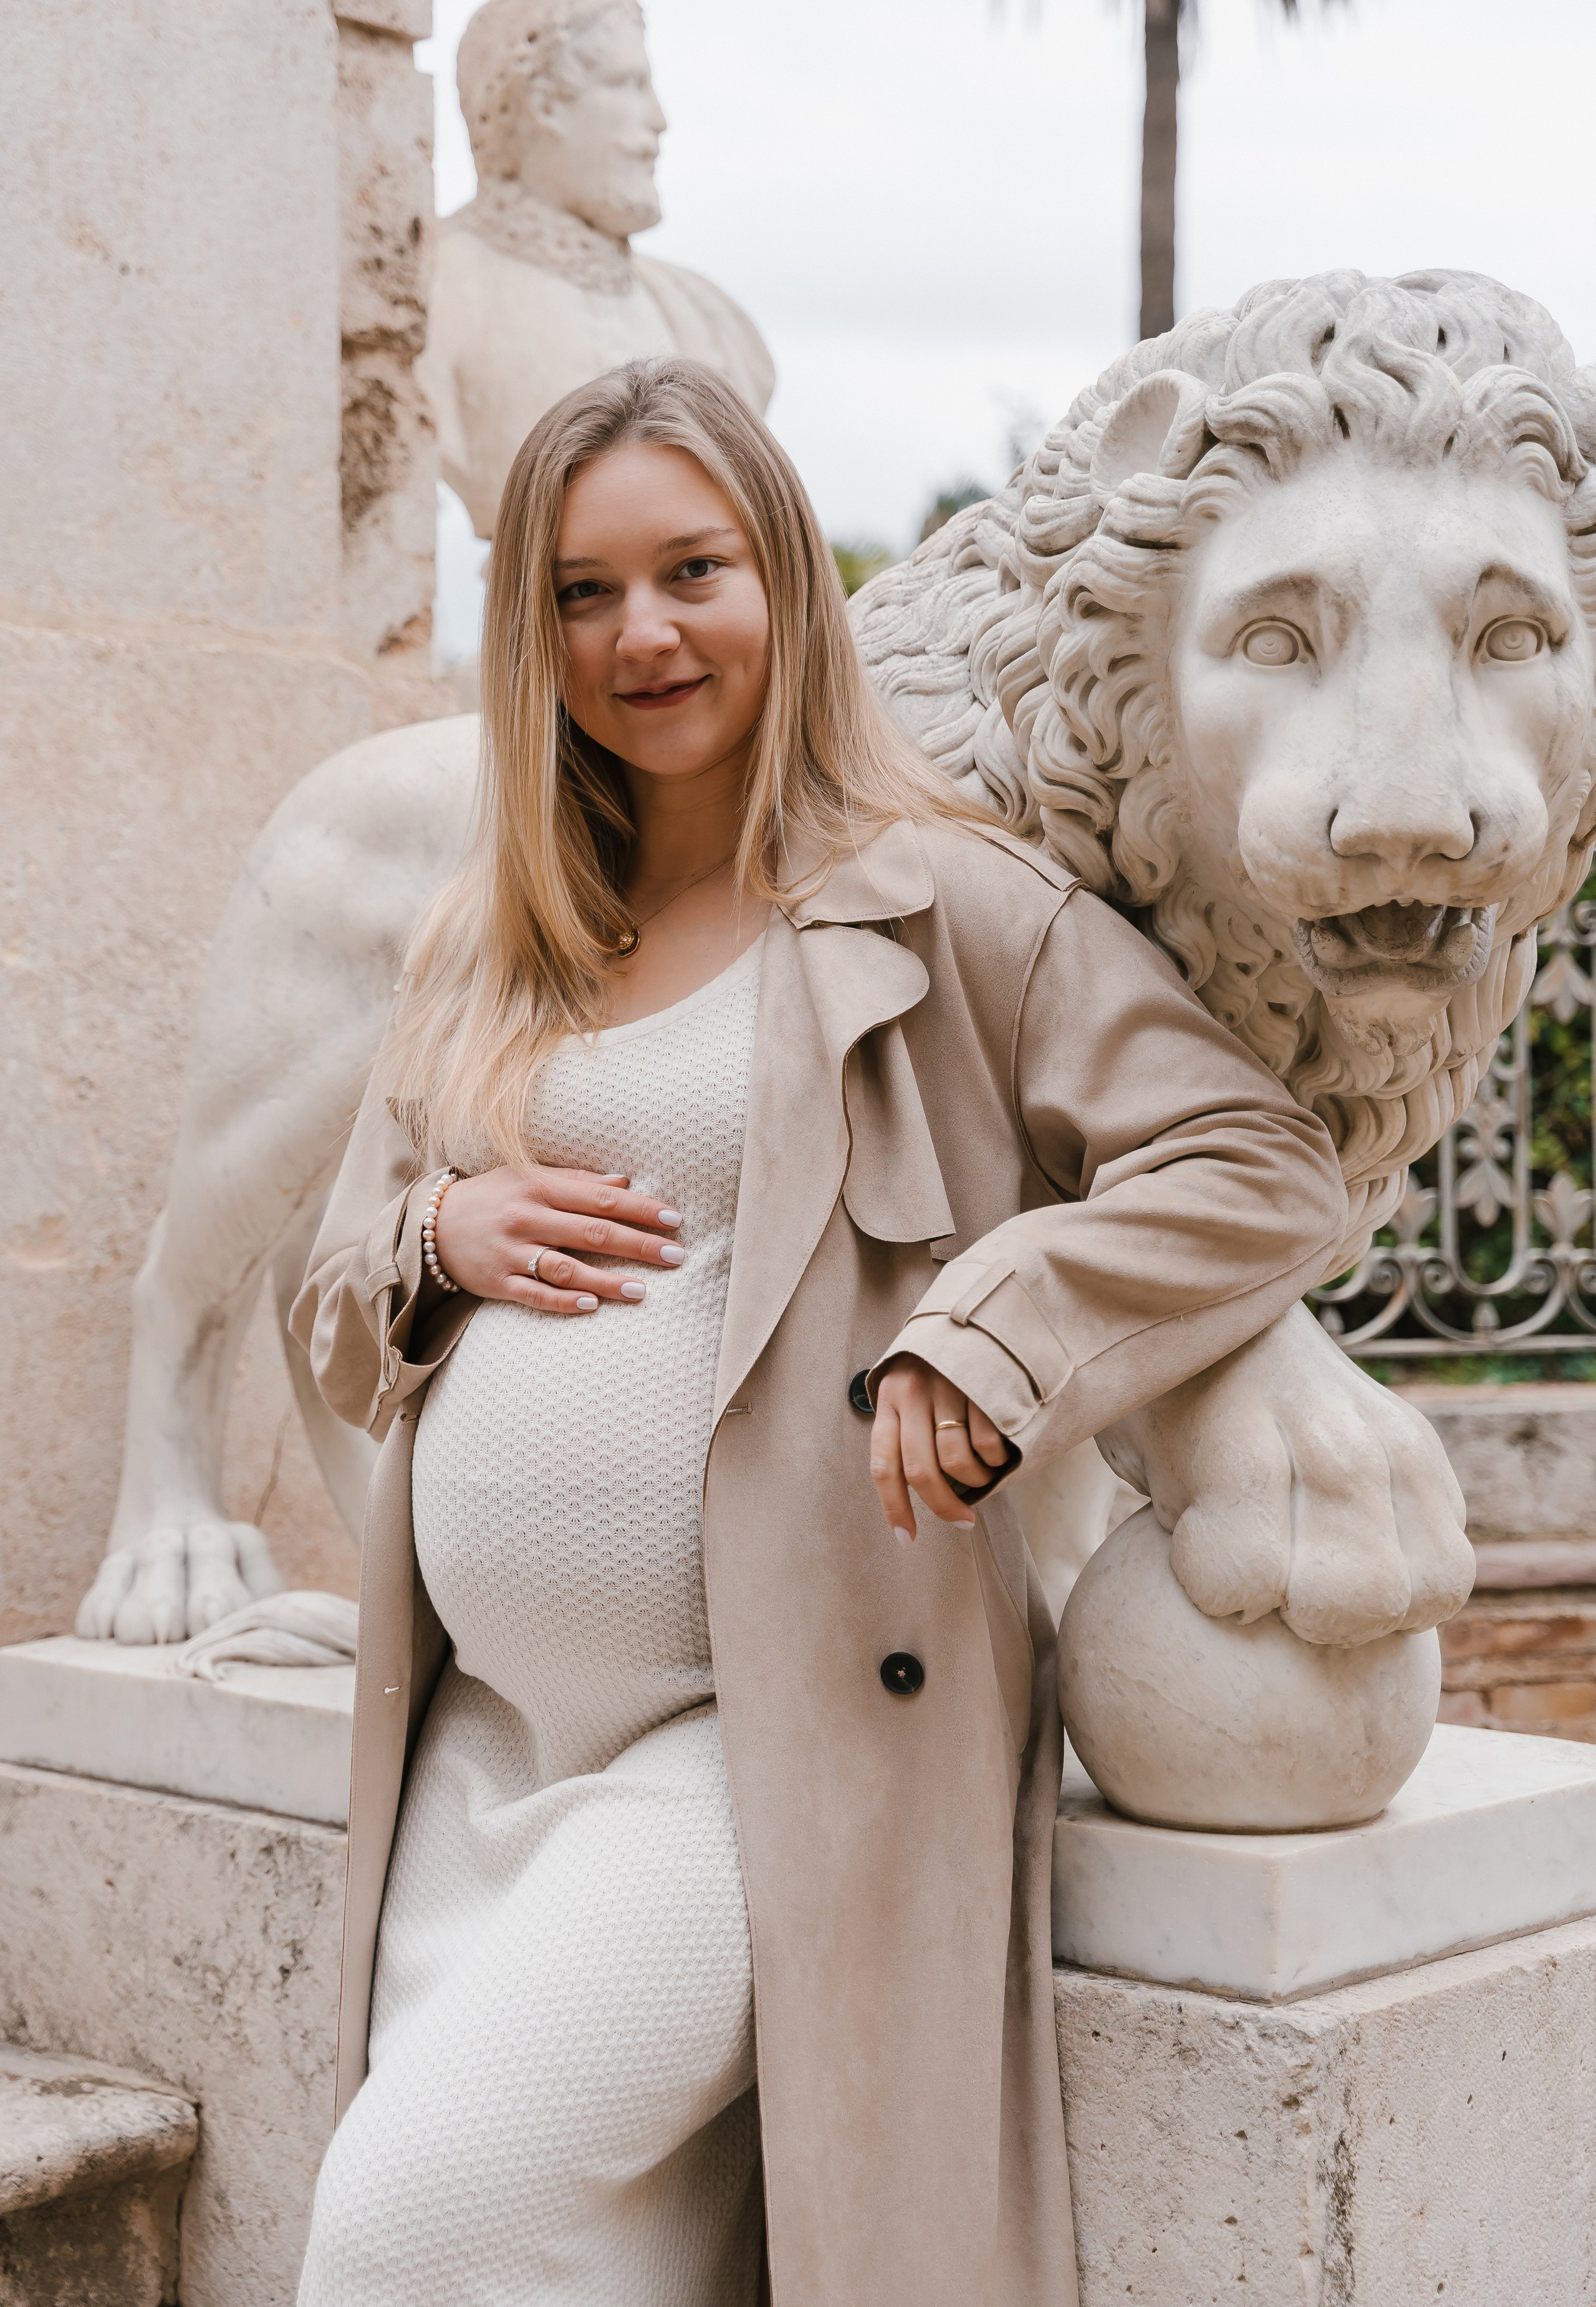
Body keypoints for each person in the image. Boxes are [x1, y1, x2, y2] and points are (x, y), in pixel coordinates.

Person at [291, 357, 1345, 2305]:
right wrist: (434, 1231)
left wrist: (1001, 1326)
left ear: (781, 573)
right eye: (582, 593)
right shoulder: (488, 943)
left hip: (749, 1743)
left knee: (396, 2227)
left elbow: (1257, 1164)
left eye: (691, 569)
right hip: (476, 1736)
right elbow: (332, 1320)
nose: (642, 634)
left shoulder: (944, 906)